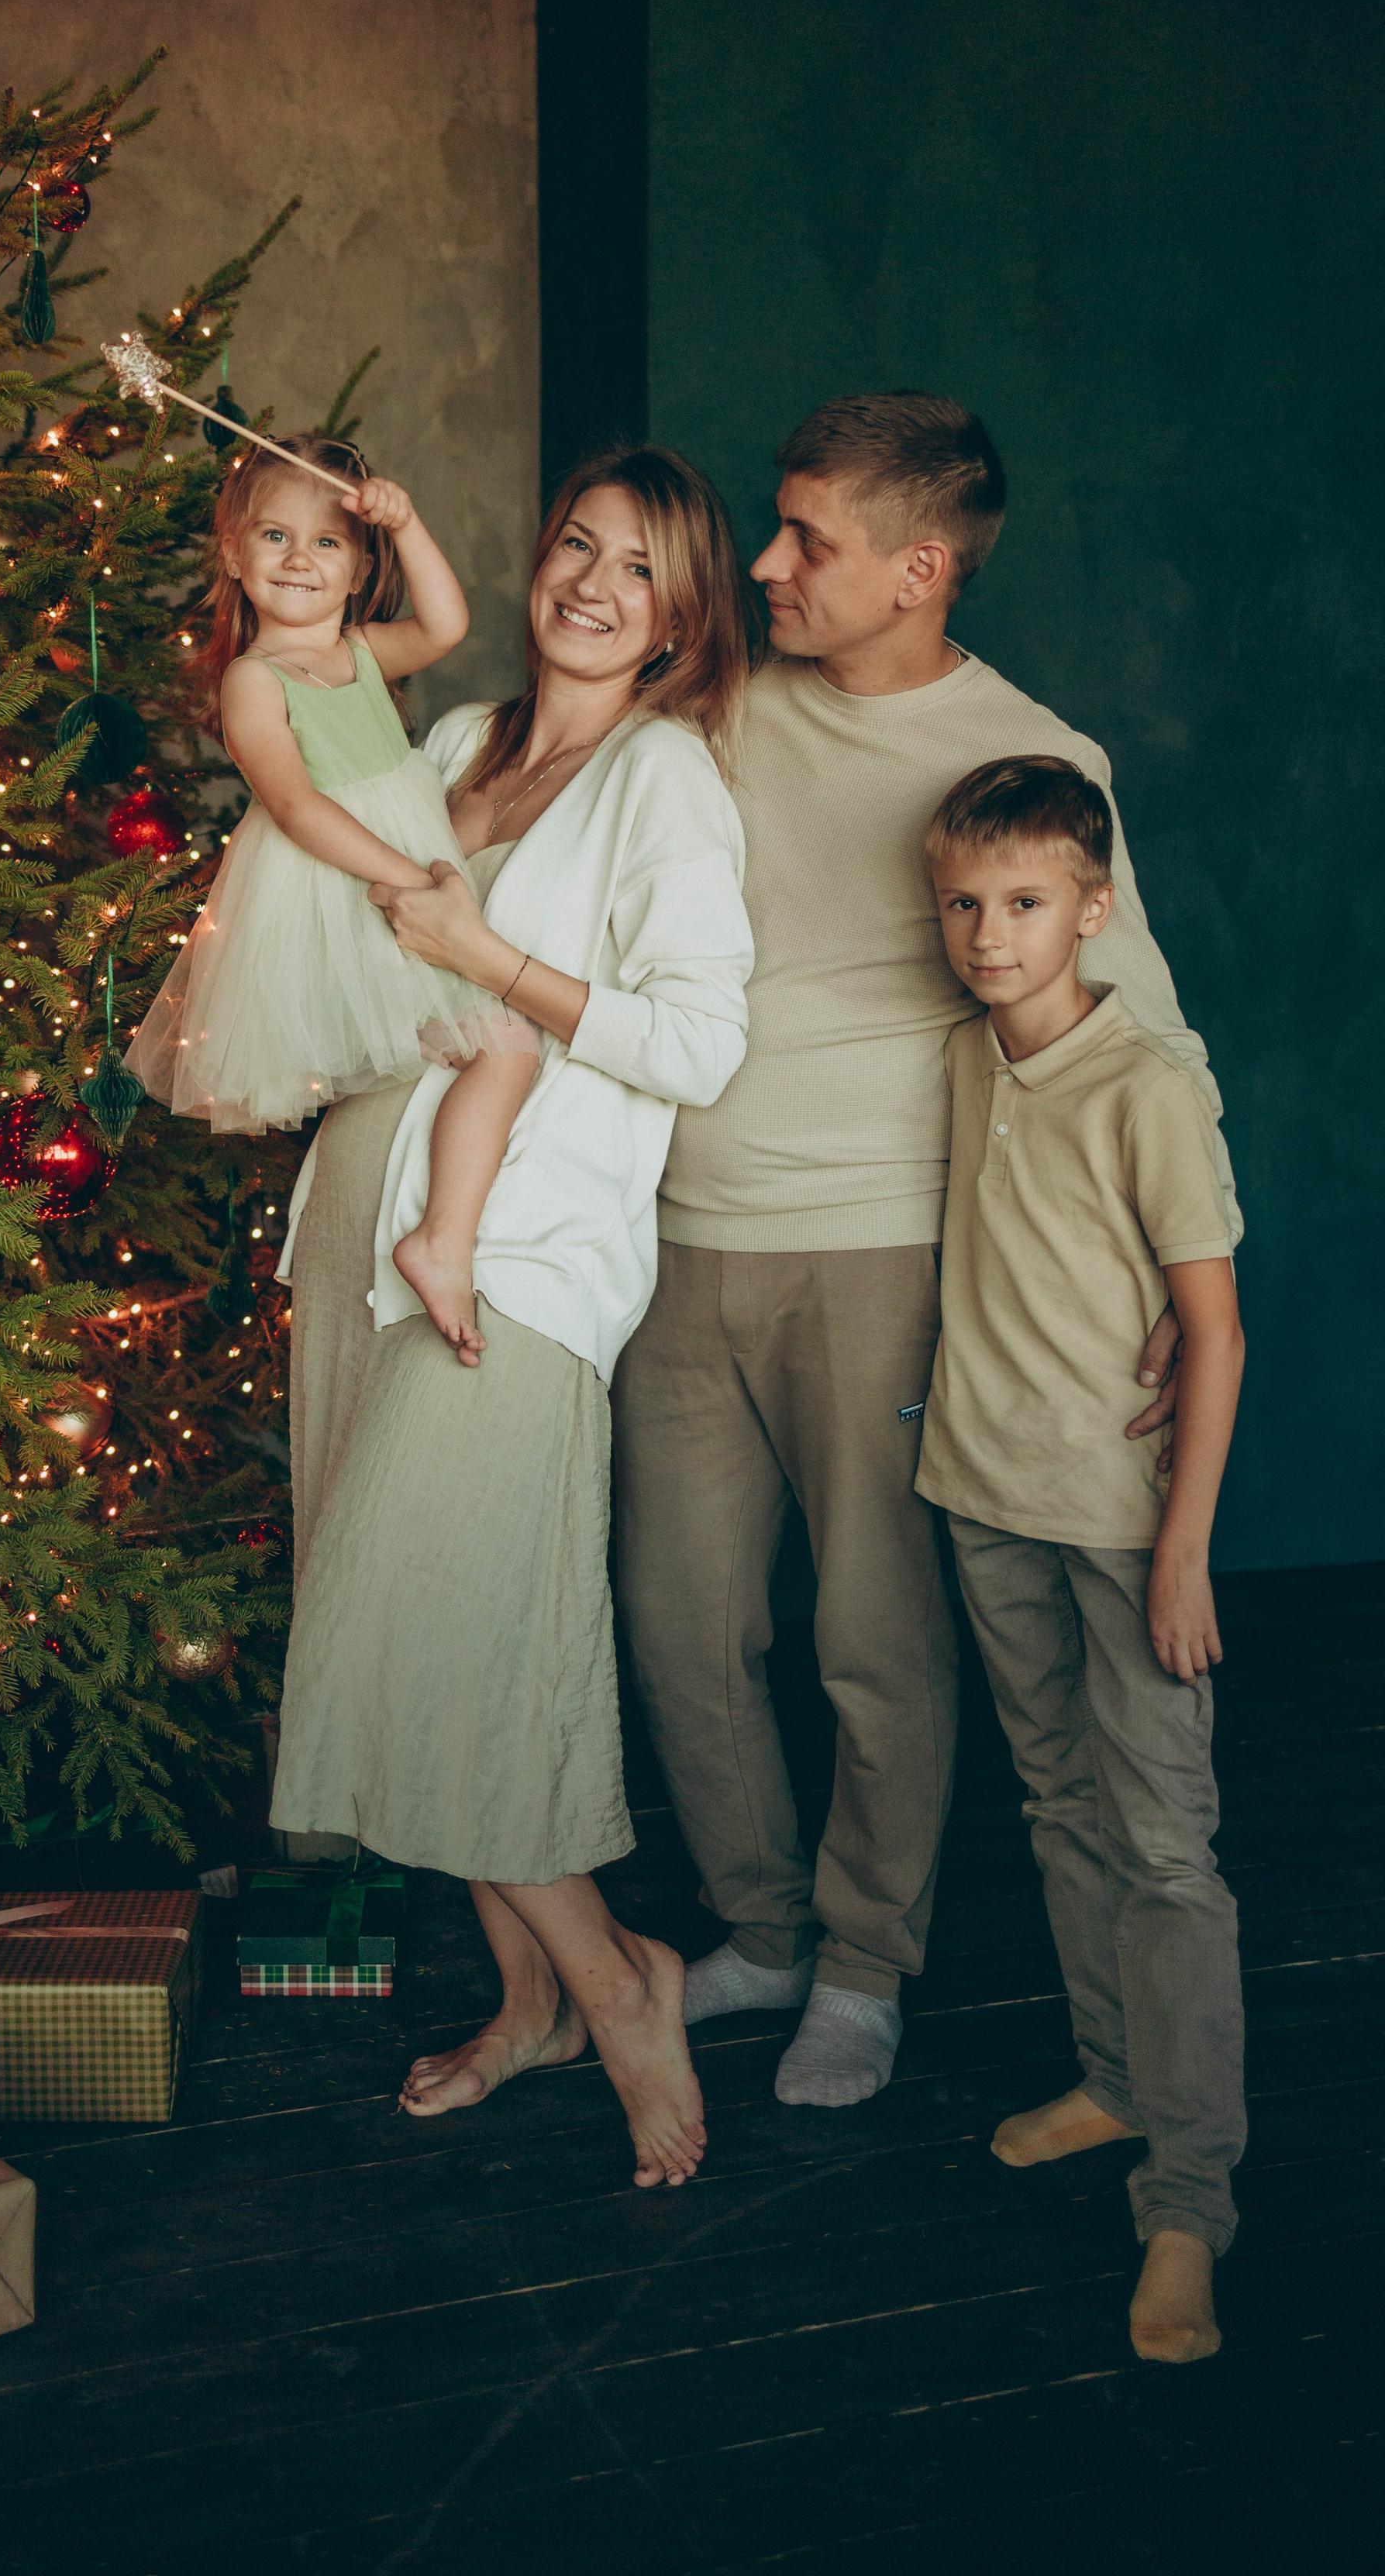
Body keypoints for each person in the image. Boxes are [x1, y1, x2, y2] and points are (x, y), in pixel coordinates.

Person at [614, 392, 1239, 2110]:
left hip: (887, 1258)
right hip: (673, 1244)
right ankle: (756, 1931)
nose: (763, 563)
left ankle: (866, 1967)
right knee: (680, 1626)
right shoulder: (719, 710)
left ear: (918, 568)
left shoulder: (1033, 760)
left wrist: (1195, 1301)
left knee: (872, 1645)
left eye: (805, 537)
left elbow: (1146, 1028)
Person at [270, 449, 756, 2189]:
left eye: (640, 569)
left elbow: (694, 1046)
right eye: (573, 545)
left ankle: (617, 1982)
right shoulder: (463, 737)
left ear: (684, 616)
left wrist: (492, 965)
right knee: (405, 1644)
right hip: (358, 1213)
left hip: (524, 1256)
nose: (592, 585)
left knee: (450, 1633)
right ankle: (526, 2001)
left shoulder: (664, 780)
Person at [916, 755, 1245, 2365]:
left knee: (1164, 1853)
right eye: (965, 903)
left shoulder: (1145, 1082)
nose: (989, 933)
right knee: (1056, 1806)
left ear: (1090, 910)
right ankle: (1113, 2080)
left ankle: (1186, 2200)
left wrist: (1179, 1551)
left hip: (1122, 1533)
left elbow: (1211, 1330)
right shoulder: (970, 1057)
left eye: (1025, 903)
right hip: (984, 1498)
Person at [126, 437, 539, 1366]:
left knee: (490, 1050)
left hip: (402, 870)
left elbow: (443, 625)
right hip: (341, 888)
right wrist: (404, 878)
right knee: (487, 1047)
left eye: (326, 543)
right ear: (235, 556)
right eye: (274, 536)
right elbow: (296, 805)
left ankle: (440, 1233)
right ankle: (430, 1242)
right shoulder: (252, 679)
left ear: (358, 568)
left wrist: (409, 522)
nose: (299, 559)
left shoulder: (361, 650)